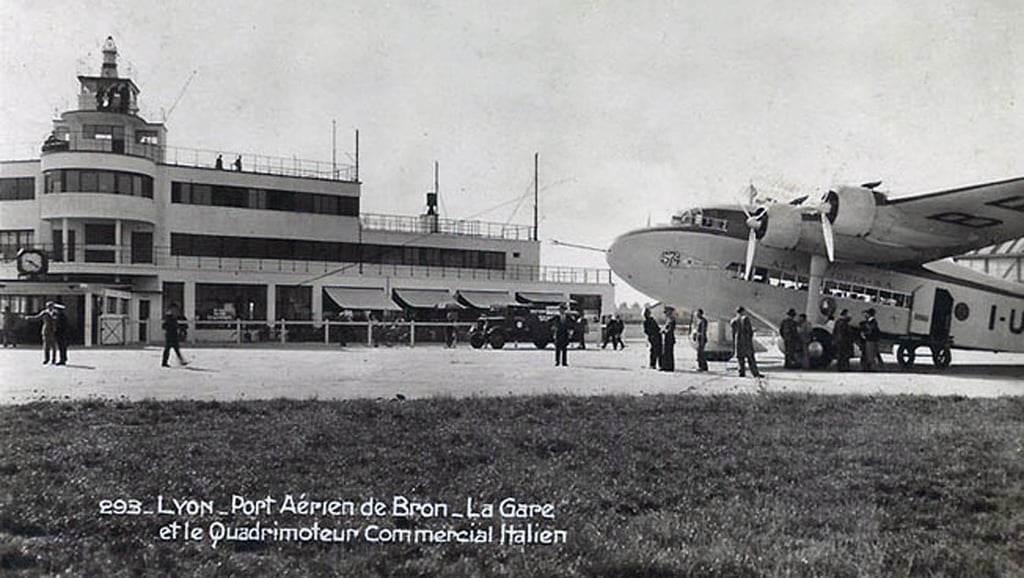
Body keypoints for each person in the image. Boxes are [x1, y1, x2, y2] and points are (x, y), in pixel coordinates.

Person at [730, 306, 762, 378]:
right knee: (750, 358)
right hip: (746, 341)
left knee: (740, 358)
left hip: (738, 341)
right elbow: (749, 331)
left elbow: (733, 332)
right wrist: (750, 336)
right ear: (743, 311)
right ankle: (755, 373)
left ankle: (741, 372)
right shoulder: (745, 319)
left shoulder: (733, 320)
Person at [162, 302, 189, 367]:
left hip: (172, 334)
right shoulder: (169, 317)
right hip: (170, 334)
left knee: (174, 348)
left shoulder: (173, 317)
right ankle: (165, 362)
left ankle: (180, 361)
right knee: (169, 348)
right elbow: (164, 326)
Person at [660, 307, 676, 371]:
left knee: (669, 353)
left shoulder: (672, 320)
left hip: (669, 339)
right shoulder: (668, 320)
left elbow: (670, 330)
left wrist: (664, 331)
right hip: (667, 339)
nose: (665, 314)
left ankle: (669, 367)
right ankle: (666, 366)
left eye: (666, 312)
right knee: (666, 353)